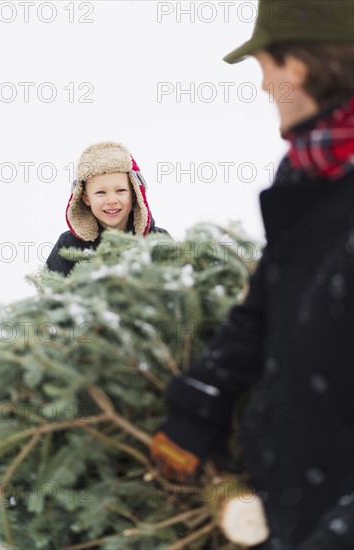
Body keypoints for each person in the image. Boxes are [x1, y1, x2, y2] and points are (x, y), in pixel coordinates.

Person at [150, 1, 354, 548]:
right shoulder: (306, 178)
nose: (263, 86)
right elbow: (262, 312)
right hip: (289, 502)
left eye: (265, 66)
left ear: (299, 68)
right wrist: (196, 409)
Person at [46, 141, 170, 275]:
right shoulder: (69, 245)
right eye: (101, 193)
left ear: (134, 194)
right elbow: (49, 289)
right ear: (86, 198)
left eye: (121, 190)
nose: (111, 200)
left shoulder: (157, 240)